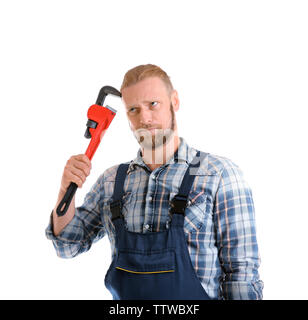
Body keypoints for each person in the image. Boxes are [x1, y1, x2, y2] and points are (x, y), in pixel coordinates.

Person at [45, 64, 264, 300]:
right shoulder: (111, 181)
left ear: (174, 101)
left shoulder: (220, 175)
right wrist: (65, 189)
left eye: (153, 104)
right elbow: (67, 245)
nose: (145, 118)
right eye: (133, 109)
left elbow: (241, 275)